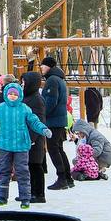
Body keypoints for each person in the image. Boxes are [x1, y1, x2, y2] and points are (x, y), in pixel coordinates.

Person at [0, 79, 52, 209]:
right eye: (10, 94)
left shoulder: (24, 109)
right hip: (5, 145)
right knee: (4, 171)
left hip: (21, 146)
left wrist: (43, 129)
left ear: (19, 95)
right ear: (6, 94)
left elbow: (34, 121)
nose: (12, 96)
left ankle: (25, 198)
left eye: (15, 94)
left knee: (22, 172)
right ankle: (2, 197)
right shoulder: (1, 108)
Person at [39, 57, 73, 190]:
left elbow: (51, 100)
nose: (41, 68)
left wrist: (43, 114)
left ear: (49, 66)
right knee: (58, 148)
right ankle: (67, 177)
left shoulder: (52, 80)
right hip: (60, 119)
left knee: (53, 149)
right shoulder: (59, 79)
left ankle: (62, 178)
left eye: (43, 65)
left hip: (53, 120)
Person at [22, 70, 50, 204]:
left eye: (24, 82)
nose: (22, 85)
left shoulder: (37, 100)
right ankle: (30, 192)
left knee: (35, 166)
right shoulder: (27, 97)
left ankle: (39, 194)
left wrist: (31, 139)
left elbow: (39, 120)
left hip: (34, 140)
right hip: (26, 138)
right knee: (28, 167)